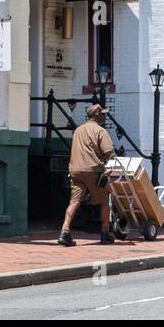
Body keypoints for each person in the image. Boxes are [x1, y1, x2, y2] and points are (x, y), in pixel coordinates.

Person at [58, 103, 116, 247]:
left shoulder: (78, 130)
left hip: (75, 170)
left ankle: (64, 231)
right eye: (102, 114)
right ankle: (105, 233)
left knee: (74, 201)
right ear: (97, 115)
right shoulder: (100, 131)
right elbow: (108, 151)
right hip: (93, 170)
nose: (104, 116)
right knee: (104, 198)